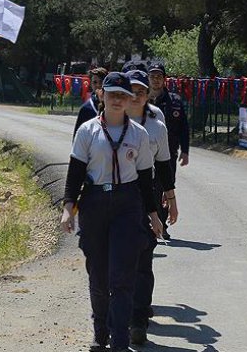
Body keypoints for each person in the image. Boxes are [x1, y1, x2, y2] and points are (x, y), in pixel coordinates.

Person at [61, 72, 161, 352]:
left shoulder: (139, 135)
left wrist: (153, 215)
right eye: (112, 94)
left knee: (122, 276)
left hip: (127, 206)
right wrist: (68, 208)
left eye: (123, 95)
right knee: (98, 275)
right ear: (101, 96)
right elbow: (76, 172)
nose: (118, 100)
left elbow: (144, 180)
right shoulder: (88, 131)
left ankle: (119, 340)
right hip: (94, 203)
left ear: (130, 100)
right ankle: (100, 330)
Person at [125, 69, 178, 345]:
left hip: (148, 196)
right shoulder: (107, 117)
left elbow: (164, 164)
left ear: (148, 94)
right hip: (115, 197)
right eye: (131, 90)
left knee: (143, 260)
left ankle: (137, 320)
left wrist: (171, 199)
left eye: (141, 91)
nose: (136, 95)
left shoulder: (157, 121)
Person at [147, 63, 189, 240]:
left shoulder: (175, 101)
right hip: (146, 153)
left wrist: (185, 151)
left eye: (159, 76)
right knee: (148, 188)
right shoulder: (142, 99)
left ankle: (162, 226)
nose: (156, 79)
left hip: (169, 153)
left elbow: (184, 128)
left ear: (164, 79)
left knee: (166, 187)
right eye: (153, 76)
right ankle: (148, 223)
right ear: (148, 78)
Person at [73, 67, 108, 137]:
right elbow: (77, 136)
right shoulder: (86, 108)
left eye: (101, 82)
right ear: (91, 84)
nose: (98, 85)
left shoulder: (115, 106)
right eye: (95, 82)